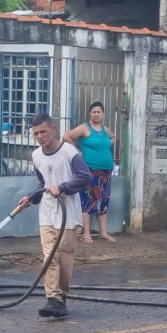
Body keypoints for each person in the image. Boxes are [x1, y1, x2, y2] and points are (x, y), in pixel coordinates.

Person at [16, 113, 91, 318]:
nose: (40, 137)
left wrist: (64, 187)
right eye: (36, 133)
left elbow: (86, 178)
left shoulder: (69, 152)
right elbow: (43, 184)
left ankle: (61, 297)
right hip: (47, 214)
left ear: (53, 129)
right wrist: (31, 198)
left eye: (43, 132)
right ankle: (53, 298)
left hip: (68, 215)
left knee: (64, 259)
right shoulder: (36, 156)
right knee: (50, 256)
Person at [64, 101, 117, 244]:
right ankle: (86, 233)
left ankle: (103, 232)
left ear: (103, 114)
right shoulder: (84, 128)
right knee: (87, 201)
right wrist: (78, 151)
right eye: (94, 112)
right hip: (90, 171)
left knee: (103, 202)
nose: (96, 114)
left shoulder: (105, 130)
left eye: (99, 112)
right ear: (90, 113)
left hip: (106, 172)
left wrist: (105, 147)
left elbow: (113, 137)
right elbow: (66, 136)